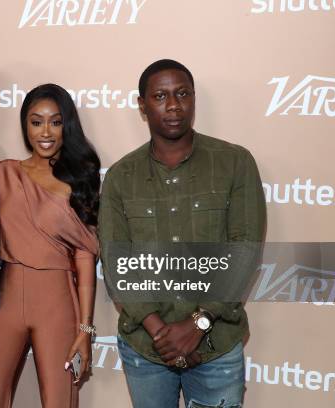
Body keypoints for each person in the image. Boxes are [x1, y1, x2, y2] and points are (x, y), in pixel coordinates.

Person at [98, 59, 266, 407]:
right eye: (160, 96)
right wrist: (161, 332)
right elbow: (117, 263)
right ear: (142, 106)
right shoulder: (120, 176)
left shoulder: (235, 162)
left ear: (193, 99)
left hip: (215, 346)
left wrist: (196, 324)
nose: (173, 105)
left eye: (182, 94)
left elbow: (244, 252)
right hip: (146, 348)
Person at [0, 84, 100, 408]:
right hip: (7, 296)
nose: (46, 132)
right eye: (36, 121)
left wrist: (85, 328)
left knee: (59, 398)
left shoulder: (78, 179)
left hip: (57, 300)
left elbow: (85, 256)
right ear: (25, 125)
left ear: (66, 126)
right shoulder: (4, 174)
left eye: (55, 122)